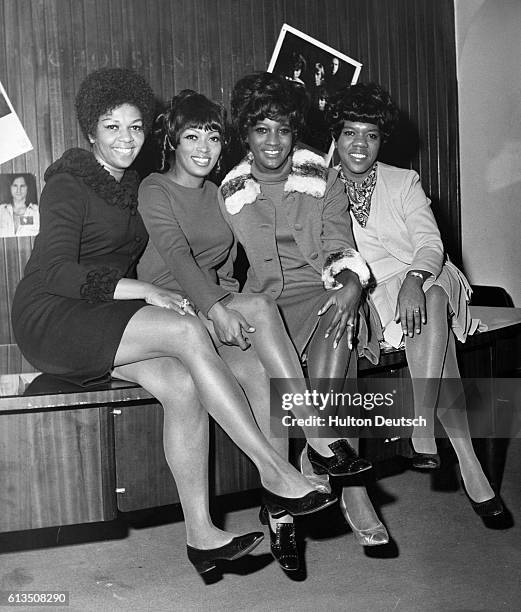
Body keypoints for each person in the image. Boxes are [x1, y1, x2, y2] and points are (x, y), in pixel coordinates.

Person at [10, 67, 336, 577]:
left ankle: (201, 535)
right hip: (52, 317)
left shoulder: (135, 187)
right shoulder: (68, 184)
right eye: (112, 126)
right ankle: (275, 470)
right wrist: (145, 290)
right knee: (185, 331)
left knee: (182, 383)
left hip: (105, 316)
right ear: (90, 131)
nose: (126, 138)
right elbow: (53, 271)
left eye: (135, 126)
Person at [137, 89, 372, 572]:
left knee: (264, 382)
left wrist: (225, 304)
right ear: (172, 142)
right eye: (191, 137)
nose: (203, 148)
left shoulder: (219, 191)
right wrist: (221, 307)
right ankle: (320, 436)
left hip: (216, 303)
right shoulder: (155, 187)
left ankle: (279, 505)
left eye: (212, 137)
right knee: (263, 308)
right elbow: (179, 259)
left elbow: (227, 263)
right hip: (175, 302)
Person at [219, 71, 390, 551]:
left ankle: (328, 468)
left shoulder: (327, 180)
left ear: (296, 132)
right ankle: (289, 495)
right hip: (266, 305)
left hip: (322, 290)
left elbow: (340, 243)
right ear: (246, 134)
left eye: (283, 129)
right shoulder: (227, 194)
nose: (273, 141)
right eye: (261, 129)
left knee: (340, 320)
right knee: (271, 377)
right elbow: (220, 268)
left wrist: (354, 284)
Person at [328, 82, 504, 518]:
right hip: (376, 293)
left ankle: (422, 423)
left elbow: (430, 243)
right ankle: (467, 463)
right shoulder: (319, 187)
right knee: (438, 348)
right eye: (350, 132)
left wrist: (415, 279)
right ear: (336, 136)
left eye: (370, 134)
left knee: (433, 292)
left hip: (427, 271)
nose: (360, 144)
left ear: (381, 139)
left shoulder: (403, 181)